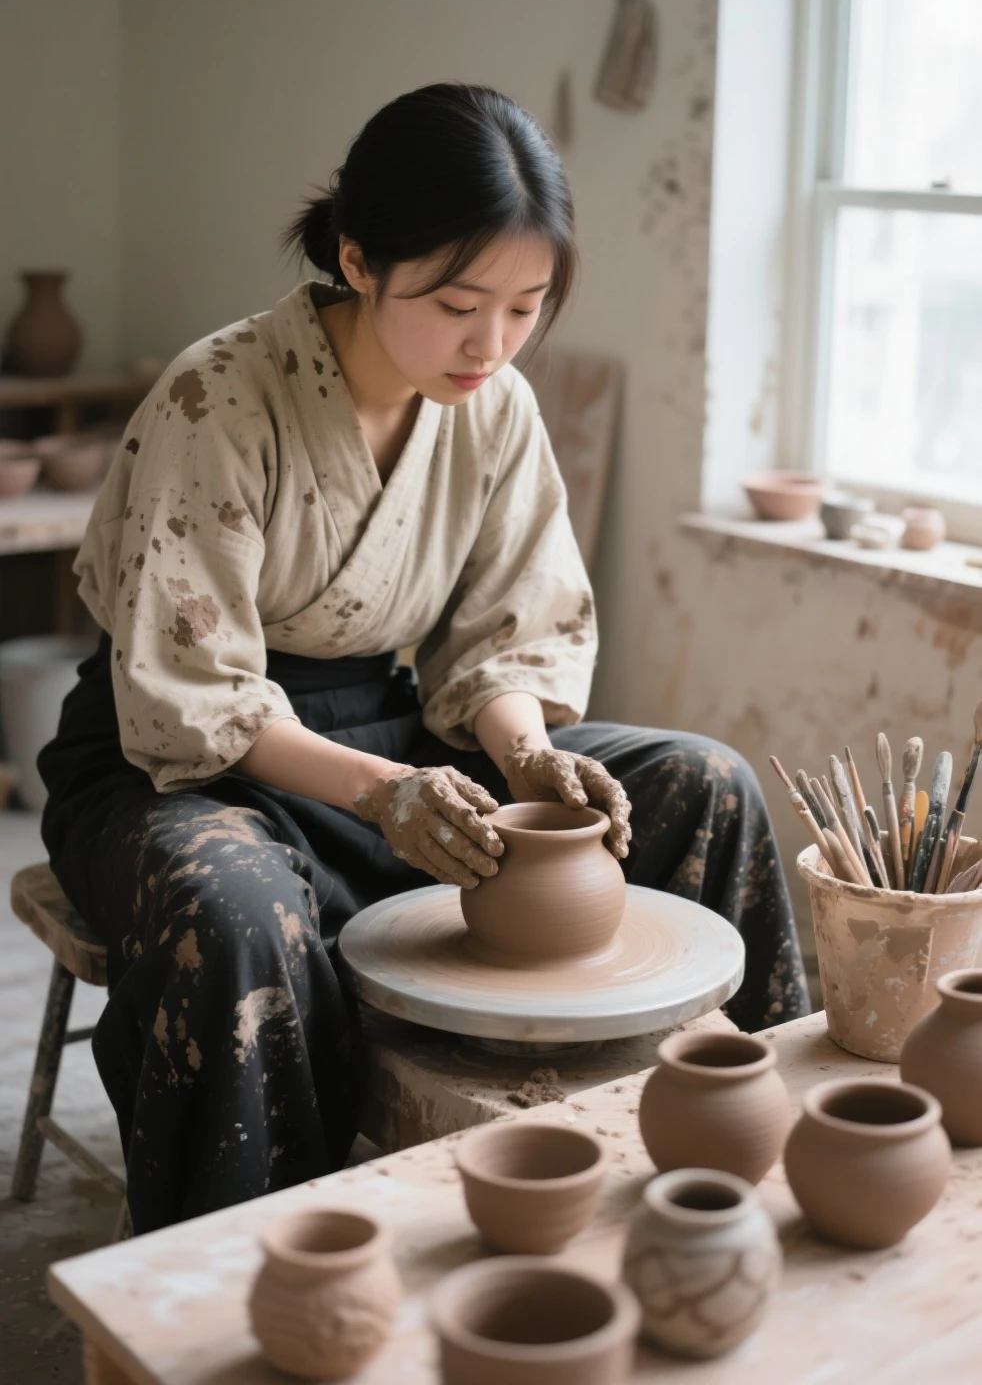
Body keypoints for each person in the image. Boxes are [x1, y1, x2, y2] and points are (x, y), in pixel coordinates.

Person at [38, 82, 808, 1235]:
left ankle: (730, 1171)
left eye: (524, 306)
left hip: (397, 733)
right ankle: (273, 1268)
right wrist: (386, 793)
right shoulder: (218, 396)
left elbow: (502, 634)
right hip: (181, 759)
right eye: (457, 304)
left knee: (704, 781)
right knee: (237, 908)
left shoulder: (493, 409)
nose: (491, 344)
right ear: (358, 260)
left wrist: (529, 754)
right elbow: (186, 700)